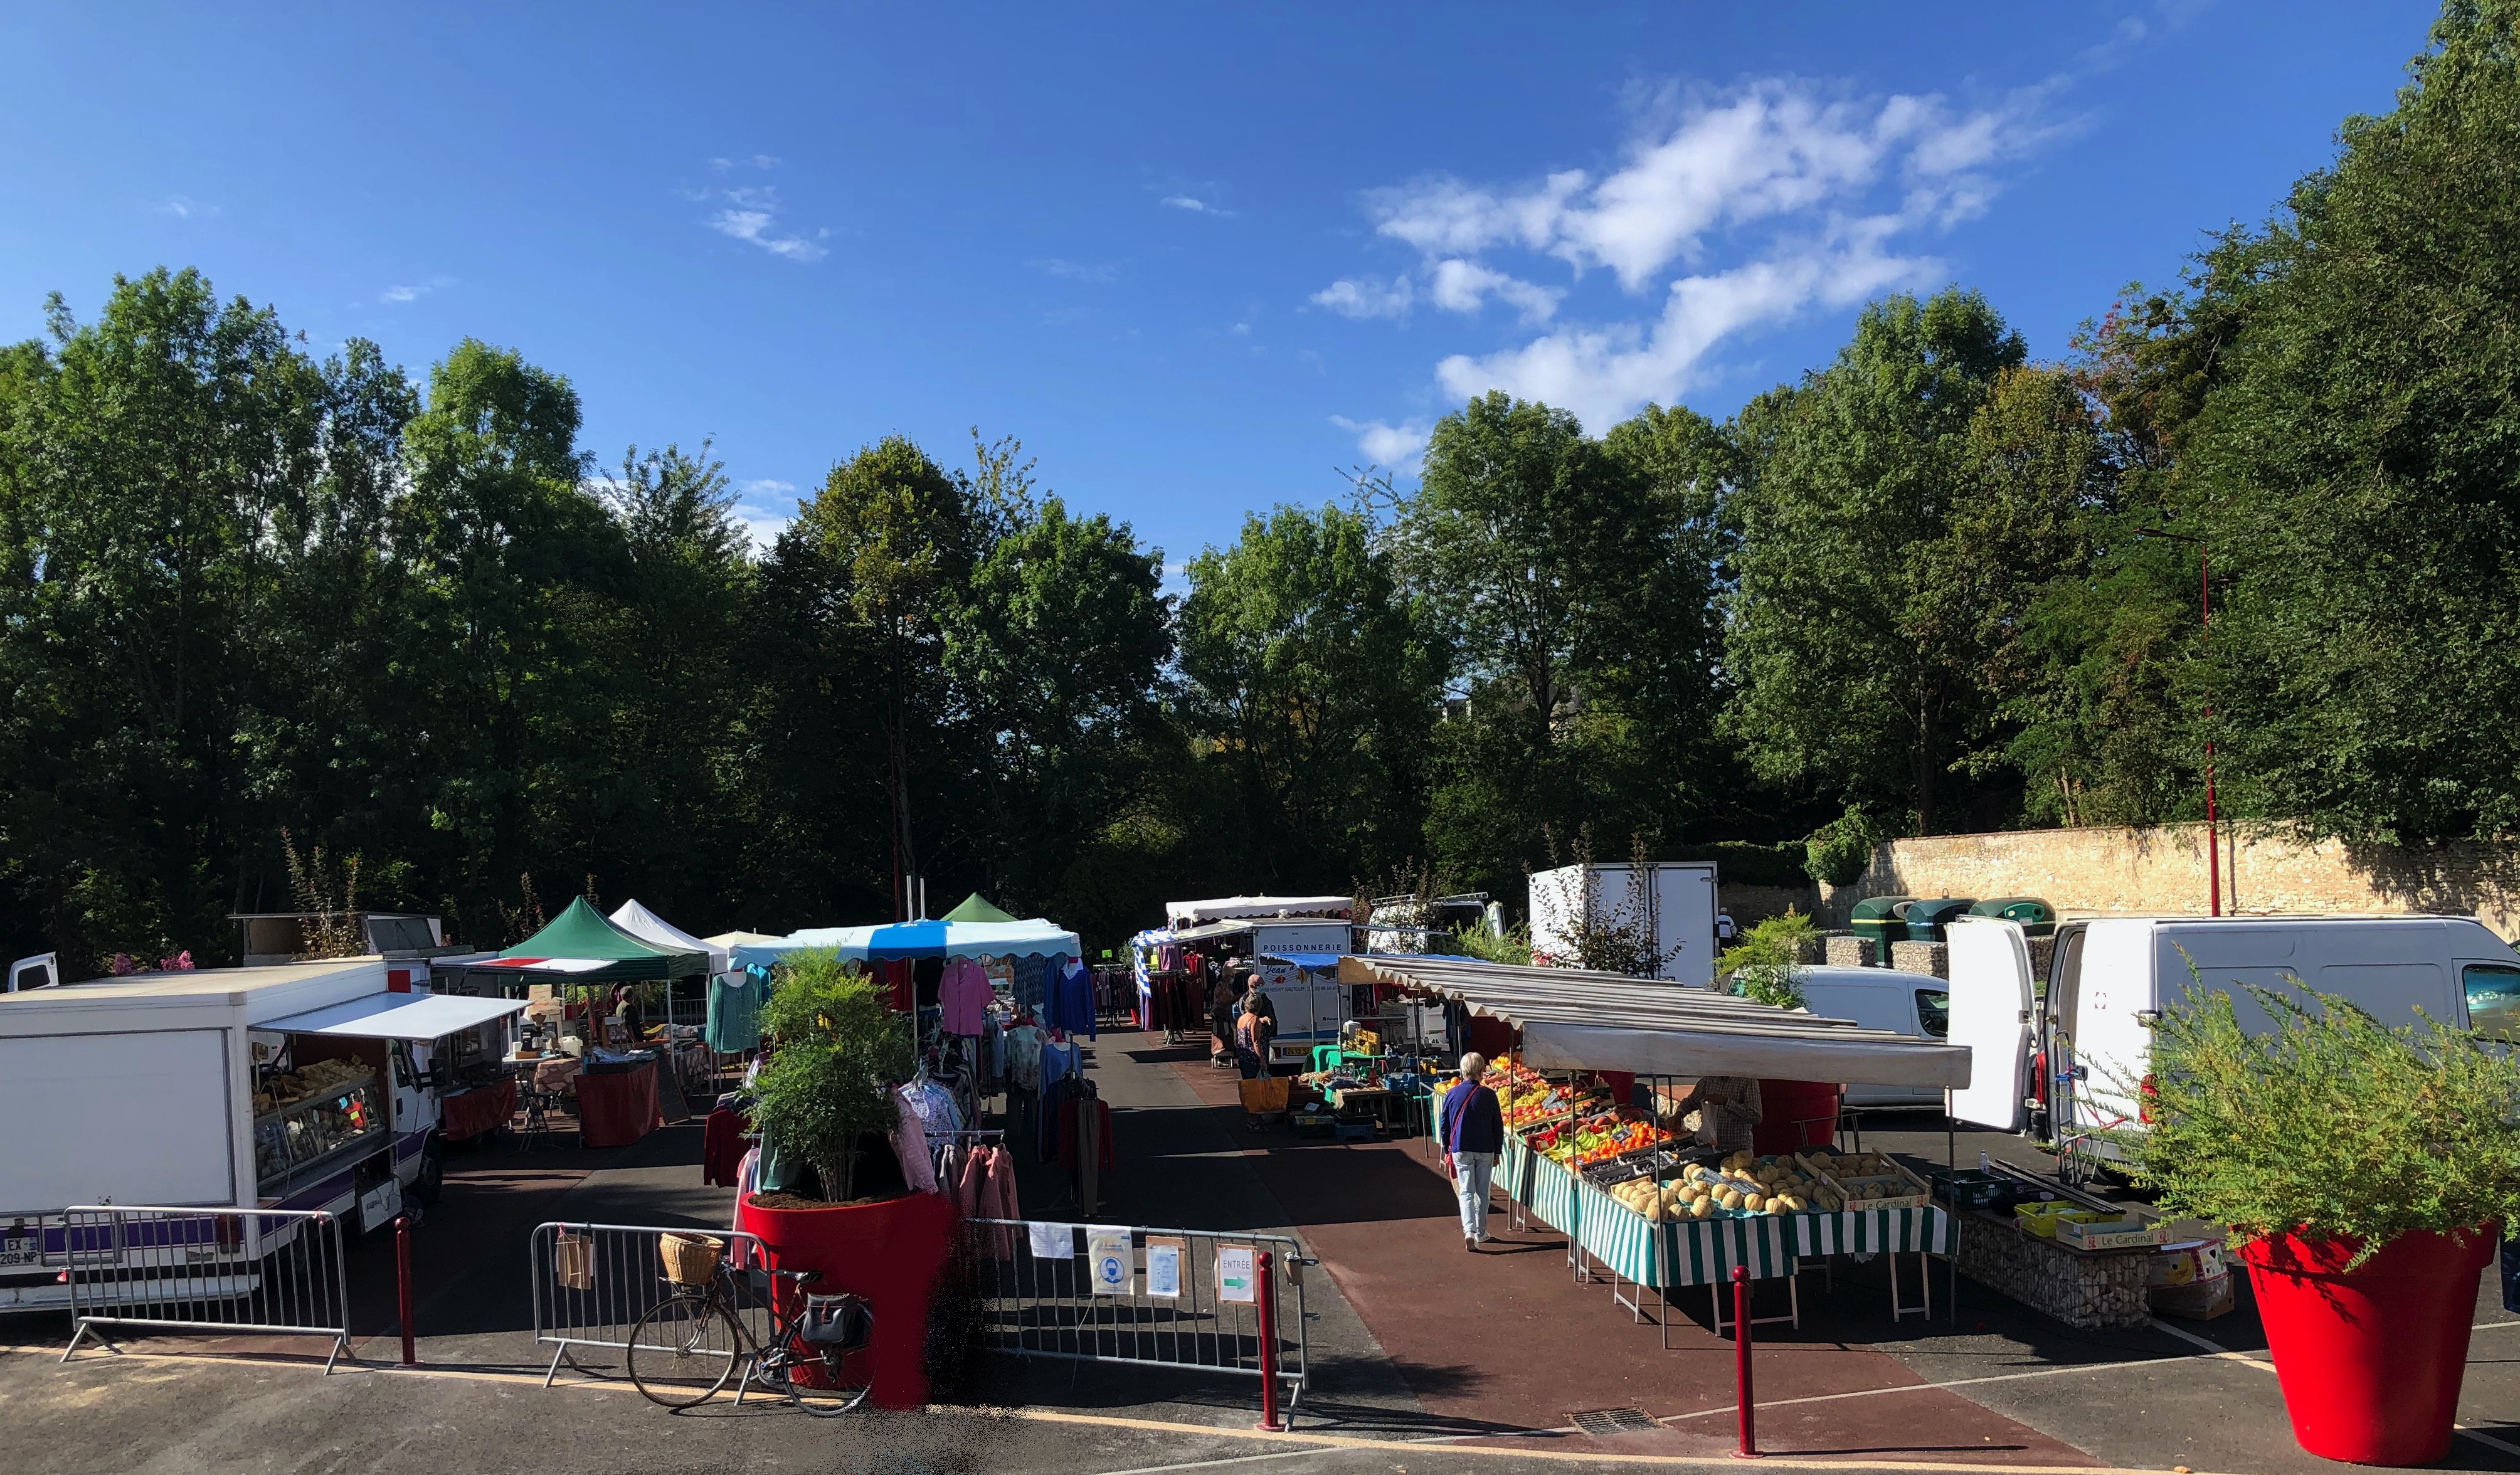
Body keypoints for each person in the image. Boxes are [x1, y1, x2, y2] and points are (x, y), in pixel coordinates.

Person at [1438, 1052, 1504, 1250]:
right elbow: (1497, 1126)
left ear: (1463, 1070)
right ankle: (1481, 1232)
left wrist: (1445, 1148)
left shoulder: (1452, 1093)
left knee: (1466, 1191)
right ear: (1482, 1071)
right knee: (1483, 1192)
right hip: (1485, 1148)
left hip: (1461, 1147)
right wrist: (1498, 1151)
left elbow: (1444, 1124)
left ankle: (1469, 1231)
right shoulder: (1489, 1095)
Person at [1672, 1076, 1764, 1155]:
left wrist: (1726, 1102)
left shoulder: (1747, 1080)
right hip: (1711, 1150)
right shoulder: (1709, 1080)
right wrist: (1679, 1114)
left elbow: (1756, 1116)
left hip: (1738, 1152)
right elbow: (1692, 1101)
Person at [1208, 980, 1239, 1070]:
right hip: (1221, 1014)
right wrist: (1237, 997)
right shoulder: (1222, 985)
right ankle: (1222, 1050)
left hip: (1224, 1014)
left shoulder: (1224, 985)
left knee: (1225, 1033)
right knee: (1222, 1032)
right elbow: (1224, 999)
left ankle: (1224, 1051)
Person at [1233, 1006, 1266, 1079]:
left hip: (1243, 1058)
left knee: (1247, 1084)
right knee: (1255, 1085)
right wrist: (1262, 1061)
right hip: (1253, 1059)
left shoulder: (1241, 1019)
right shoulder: (1255, 1019)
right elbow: (1256, 1042)